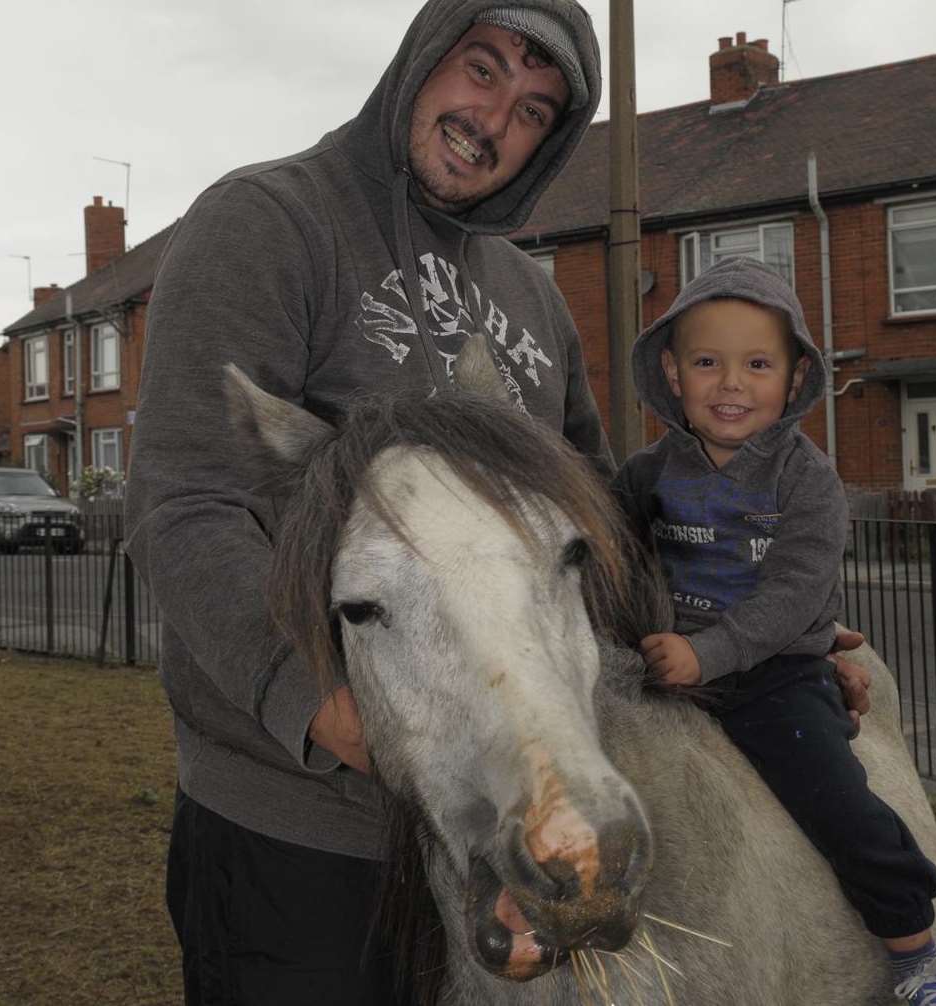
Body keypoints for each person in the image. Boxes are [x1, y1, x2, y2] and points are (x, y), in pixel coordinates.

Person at [124, 3, 613, 1003]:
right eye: (480, 68)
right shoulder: (268, 223)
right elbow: (186, 505)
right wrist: (318, 704)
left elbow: (596, 516)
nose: (493, 116)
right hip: (299, 826)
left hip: (500, 830)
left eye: (532, 108)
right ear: (424, 57)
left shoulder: (531, 296)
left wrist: (754, 613)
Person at [612, 256, 936, 1006]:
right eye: (707, 362)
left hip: (770, 674)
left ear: (794, 377)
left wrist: (705, 653)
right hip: (665, 665)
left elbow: (793, 594)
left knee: (841, 806)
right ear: (673, 374)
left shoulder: (806, 480)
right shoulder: (646, 474)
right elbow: (609, 555)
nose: (731, 383)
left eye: (756, 363)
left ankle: (916, 956)